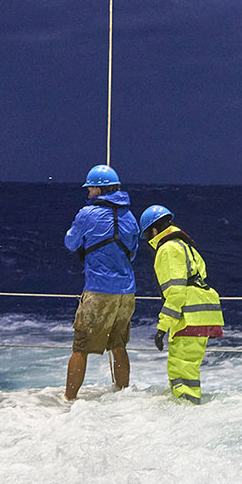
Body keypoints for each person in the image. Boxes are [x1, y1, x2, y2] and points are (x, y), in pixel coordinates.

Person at [62, 164, 139, 401]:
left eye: (90, 188)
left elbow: (70, 243)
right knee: (118, 345)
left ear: (99, 189)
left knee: (81, 347)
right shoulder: (130, 217)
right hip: (126, 292)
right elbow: (133, 253)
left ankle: (69, 401)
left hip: (98, 291)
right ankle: (122, 396)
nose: (88, 193)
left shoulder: (87, 214)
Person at [137, 204, 224, 403]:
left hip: (190, 315)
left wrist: (162, 328)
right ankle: (189, 406)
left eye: (147, 235)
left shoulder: (167, 249)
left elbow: (176, 292)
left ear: (154, 231)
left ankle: (189, 411)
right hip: (204, 312)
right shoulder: (185, 245)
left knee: (181, 371)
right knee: (187, 367)